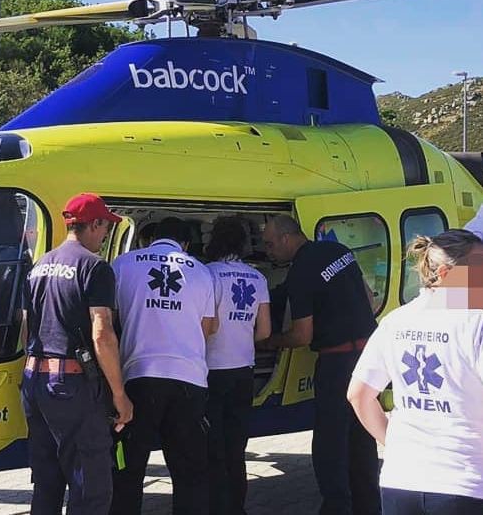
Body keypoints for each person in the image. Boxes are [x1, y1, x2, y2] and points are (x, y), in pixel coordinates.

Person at [348, 229, 483, 514]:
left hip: (400, 479)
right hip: (465, 484)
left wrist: (395, 445)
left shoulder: (396, 320)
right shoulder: (475, 321)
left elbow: (358, 395)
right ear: (446, 274)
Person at [20, 192, 133, 515]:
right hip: (71, 388)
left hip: (35, 383)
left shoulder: (40, 265)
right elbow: (102, 333)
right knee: (91, 487)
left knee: (47, 481)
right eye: (105, 228)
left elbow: (27, 327)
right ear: (93, 224)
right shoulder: (95, 268)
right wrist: (119, 393)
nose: (106, 235)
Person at [260, 214, 380, 515]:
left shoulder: (302, 271)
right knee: (362, 439)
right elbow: (370, 298)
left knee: (330, 444)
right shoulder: (338, 251)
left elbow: (302, 335)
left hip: (337, 362)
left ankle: (336, 508)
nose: (268, 251)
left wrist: (266, 341)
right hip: (367, 357)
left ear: (288, 238)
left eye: (270, 244)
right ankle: (368, 507)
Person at [110, 217, 216, 515]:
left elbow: (110, 322)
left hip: (138, 379)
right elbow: (206, 329)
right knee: (190, 473)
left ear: (153, 238)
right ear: (185, 244)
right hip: (189, 381)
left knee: (128, 469)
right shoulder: (201, 272)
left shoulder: (123, 264)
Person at [204, 216, 272, 515]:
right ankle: (236, 508)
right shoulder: (257, 278)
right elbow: (265, 332)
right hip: (243, 369)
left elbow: (208, 325)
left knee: (211, 446)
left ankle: (214, 506)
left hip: (210, 371)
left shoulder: (206, 275)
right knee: (235, 447)